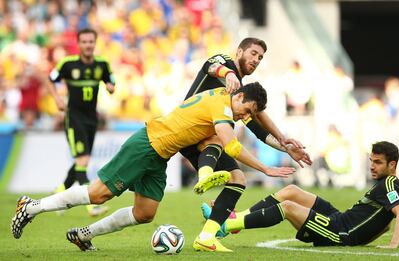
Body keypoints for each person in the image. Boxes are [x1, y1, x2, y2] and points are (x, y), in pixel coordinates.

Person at [11, 83, 296, 252]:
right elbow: (232, 146)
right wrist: (265, 169)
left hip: (161, 155)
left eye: (251, 115)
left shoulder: (221, 95)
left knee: (144, 213)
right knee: (99, 195)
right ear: (240, 97)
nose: (246, 116)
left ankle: (84, 235)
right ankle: (31, 206)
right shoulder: (222, 107)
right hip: (147, 144)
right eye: (247, 110)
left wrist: (282, 143)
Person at [179, 37, 311, 252]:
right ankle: (209, 186)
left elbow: (256, 124)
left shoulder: (240, 93)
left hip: (203, 138)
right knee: (219, 140)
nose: (256, 59)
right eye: (253, 53)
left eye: (260, 57)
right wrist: (229, 73)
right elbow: (210, 66)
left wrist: (285, 144)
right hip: (190, 129)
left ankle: (208, 233)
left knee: (238, 179)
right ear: (239, 51)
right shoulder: (226, 65)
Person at [201, 141, 399, 249]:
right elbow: (386, 224)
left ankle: (225, 226)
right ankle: (235, 219)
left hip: (339, 232)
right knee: (291, 191)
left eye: (378, 162)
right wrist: (365, 238)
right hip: (339, 219)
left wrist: (391, 245)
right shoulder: (385, 185)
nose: (372, 166)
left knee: (289, 207)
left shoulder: (389, 184)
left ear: (392, 165)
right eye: (371, 161)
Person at [46, 28, 116, 217]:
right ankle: (91, 204)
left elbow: (112, 79)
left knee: (80, 162)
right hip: (74, 117)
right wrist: (57, 100)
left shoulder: (102, 64)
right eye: (84, 42)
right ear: (79, 44)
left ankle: (57, 194)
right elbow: (50, 79)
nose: (88, 45)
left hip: (92, 119)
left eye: (91, 41)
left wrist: (111, 87)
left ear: (95, 43)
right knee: (83, 160)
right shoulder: (68, 64)